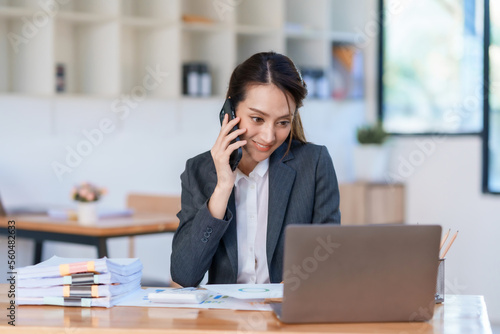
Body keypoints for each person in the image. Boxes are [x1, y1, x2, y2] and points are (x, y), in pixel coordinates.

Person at [171, 51, 341, 287]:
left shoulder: (314, 164)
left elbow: (329, 263)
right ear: (229, 110)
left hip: (288, 315)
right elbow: (184, 274)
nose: (269, 136)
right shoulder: (199, 171)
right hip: (223, 318)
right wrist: (222, 188)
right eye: (257, 119)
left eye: (282, 122)